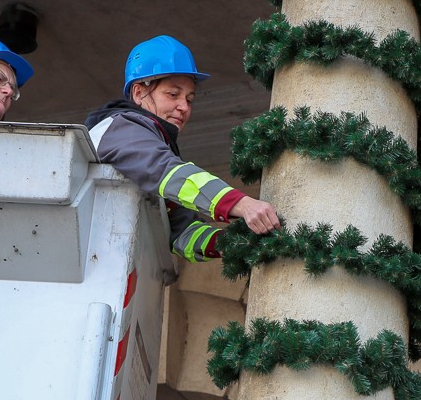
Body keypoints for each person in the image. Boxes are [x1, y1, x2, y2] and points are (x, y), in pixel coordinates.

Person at [85, 35, 280, 262]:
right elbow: (167, 172)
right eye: (173, 94)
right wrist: (242, 204)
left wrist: (231, 242)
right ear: (139, 93)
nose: (184, 107)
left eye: (190, 99)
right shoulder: (120, 127)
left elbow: (180, 233)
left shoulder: (156, 143)